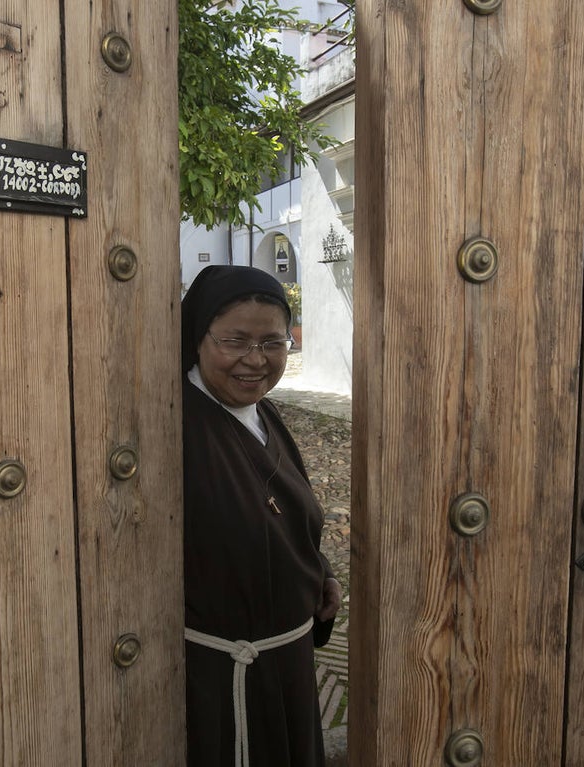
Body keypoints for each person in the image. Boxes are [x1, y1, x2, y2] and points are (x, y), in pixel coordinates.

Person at [181, 265, 343, 767]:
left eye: (273, 342)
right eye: (235, 341)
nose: (255, 360)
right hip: (221, 681)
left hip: (287, 663)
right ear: (198, 337)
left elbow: (289, 516)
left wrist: (320, 574)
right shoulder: (176, 426)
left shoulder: (265, 414)